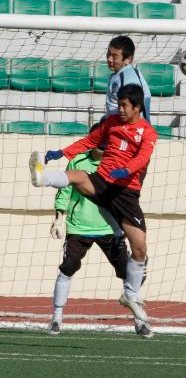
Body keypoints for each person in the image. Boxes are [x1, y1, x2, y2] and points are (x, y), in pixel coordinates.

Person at [29, 84, 158, 334]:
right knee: (77, 175)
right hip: (103, 181)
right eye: (118, 104)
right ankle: (42, 177)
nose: (119, 109)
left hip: (126, 194)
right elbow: (90, 140)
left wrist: (127, 170)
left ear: (137, 107)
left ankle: (130, 296)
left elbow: (142, 158)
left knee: (140, 248)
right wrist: (60, 152)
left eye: (124, 106)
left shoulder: (148, 133)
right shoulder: (111, 123)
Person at [49, 140, 152, 338]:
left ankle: (140, 322)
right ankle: (56, 318)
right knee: (68, 267)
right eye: (99, 146)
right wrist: (59, 219)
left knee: (129, 274)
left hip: (110, 228)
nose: (101, 150)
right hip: (79, 226)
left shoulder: (117, 166)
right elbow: (66, 189)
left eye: (106, 147)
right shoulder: (78, 161)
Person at [105, 35, 151, 123]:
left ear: (128, 59)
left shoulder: (128, 79)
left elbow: (132, 113)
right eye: (108, 53)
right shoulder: (120, 75)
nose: (109, 59)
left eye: (114, 56)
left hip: (127, 133)